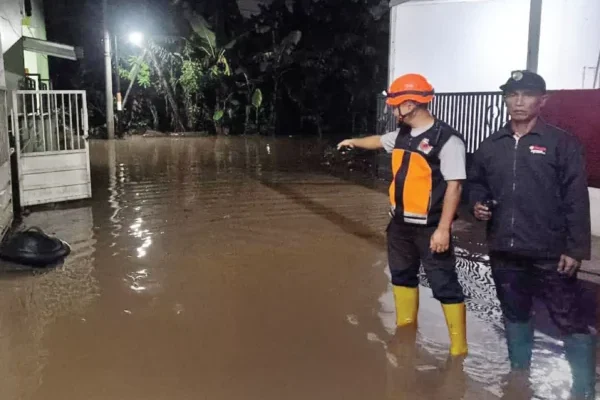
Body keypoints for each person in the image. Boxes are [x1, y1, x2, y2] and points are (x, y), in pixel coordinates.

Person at [468, 70, 595, 398]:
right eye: (512, 95)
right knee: (514, 313)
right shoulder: (491, 145)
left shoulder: (560, 143)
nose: (518, 101)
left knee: (569, 319)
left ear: (543, 100)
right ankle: (519, 378)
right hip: (505, 249)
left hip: (551, 252)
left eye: (526, 94)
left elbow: (576, 198)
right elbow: (477, 182)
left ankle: (583, 387)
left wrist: (575, 248)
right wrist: (477, 203)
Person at [338, 73, 468, 356]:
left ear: (410, 104)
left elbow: (454, 188)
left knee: (444, 285)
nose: (392, 109)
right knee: (401, 277)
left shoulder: (448, 141)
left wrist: (444, 229)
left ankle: (459, 348)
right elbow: (378, 141)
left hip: (430, 227)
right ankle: (405, 328)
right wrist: (353, 142)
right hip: (399, 225)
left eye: (395, 104)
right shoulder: (402, 135)